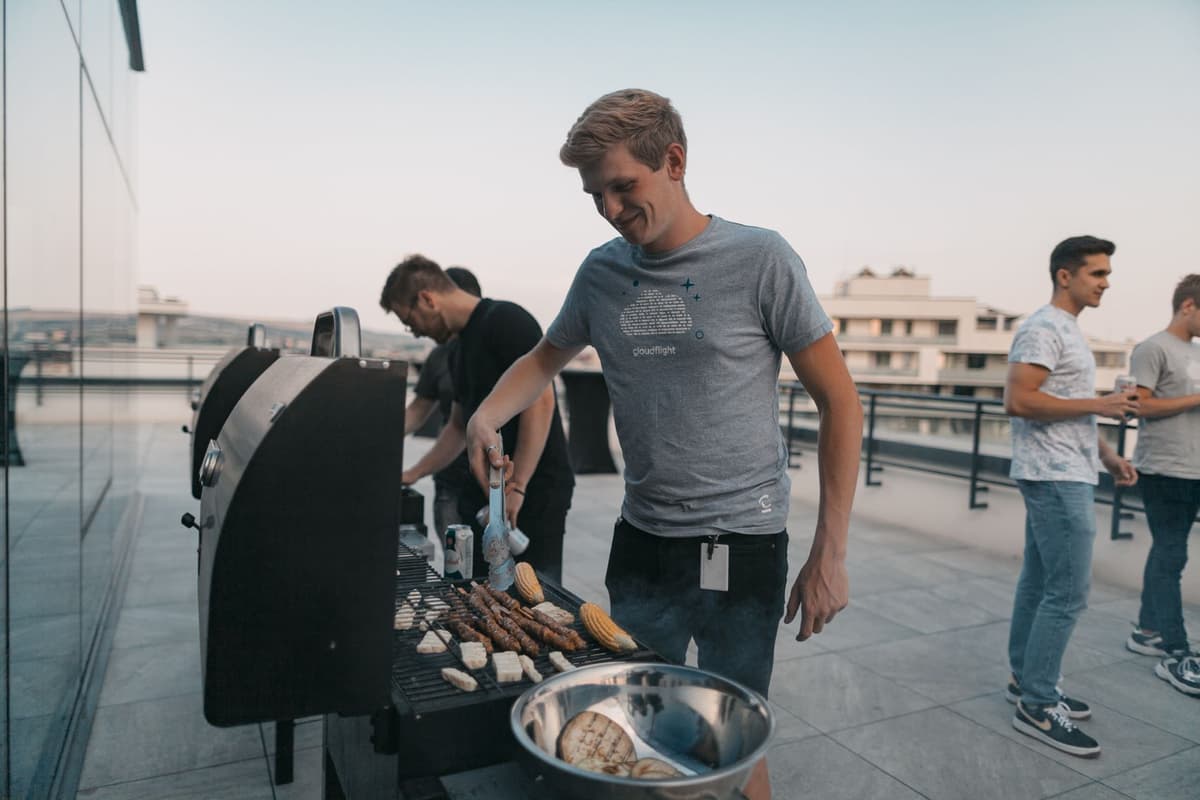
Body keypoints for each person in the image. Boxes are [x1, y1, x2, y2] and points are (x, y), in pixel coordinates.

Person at [463, 89, 862, 800]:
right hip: (643, 540)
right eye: (595, 195)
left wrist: (829, 552)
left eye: (624, 186)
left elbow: (840, 402)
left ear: (674, 161)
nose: (610, 209)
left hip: (740, 544)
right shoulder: (600, 272)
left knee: (730, 743)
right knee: (633, 728)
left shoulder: (761, 258)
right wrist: (485, 417)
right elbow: (545, 357)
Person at [1003, 235, 1139, 758]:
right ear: (1066, 275)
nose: (1106, 283)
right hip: (1055, 476)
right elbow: (1019, 400)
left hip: (1067, 469)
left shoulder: (1068, 329)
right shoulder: (1044, 327)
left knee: (1040, 583)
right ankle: (1038, 703)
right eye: (1097, 273)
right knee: (1068, 591)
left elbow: (1067, 407)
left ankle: (1026, 679)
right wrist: (1101, 404)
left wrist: (1108, 456)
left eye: (1108, 274)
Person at [381, 255, 574, 582]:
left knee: (535, 596)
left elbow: (541, 402)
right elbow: (458, 427)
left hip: (535, 490)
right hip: (489, 495)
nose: (414, 333)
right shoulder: (456, 350)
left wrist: (518, 486)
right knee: (484, 593)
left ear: (427, 299)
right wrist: (413, 473)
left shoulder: (506, 320)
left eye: (409, 320)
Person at [1124, 273, 1200, 696]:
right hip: (1163, 468)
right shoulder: (1152, 348)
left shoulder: (1196, 352)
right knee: (1172, 555)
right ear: (1188, 306)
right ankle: (1175, 651)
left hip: (1193, 468)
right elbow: (1139, 406)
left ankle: (1147, 630)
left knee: (1167, 551)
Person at [400, 266, 482, 537]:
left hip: (496, 479)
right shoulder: (441, 355)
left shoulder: (489, 344)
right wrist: (380, 436)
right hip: (450, 475)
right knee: (454, 559)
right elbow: (418, 409)